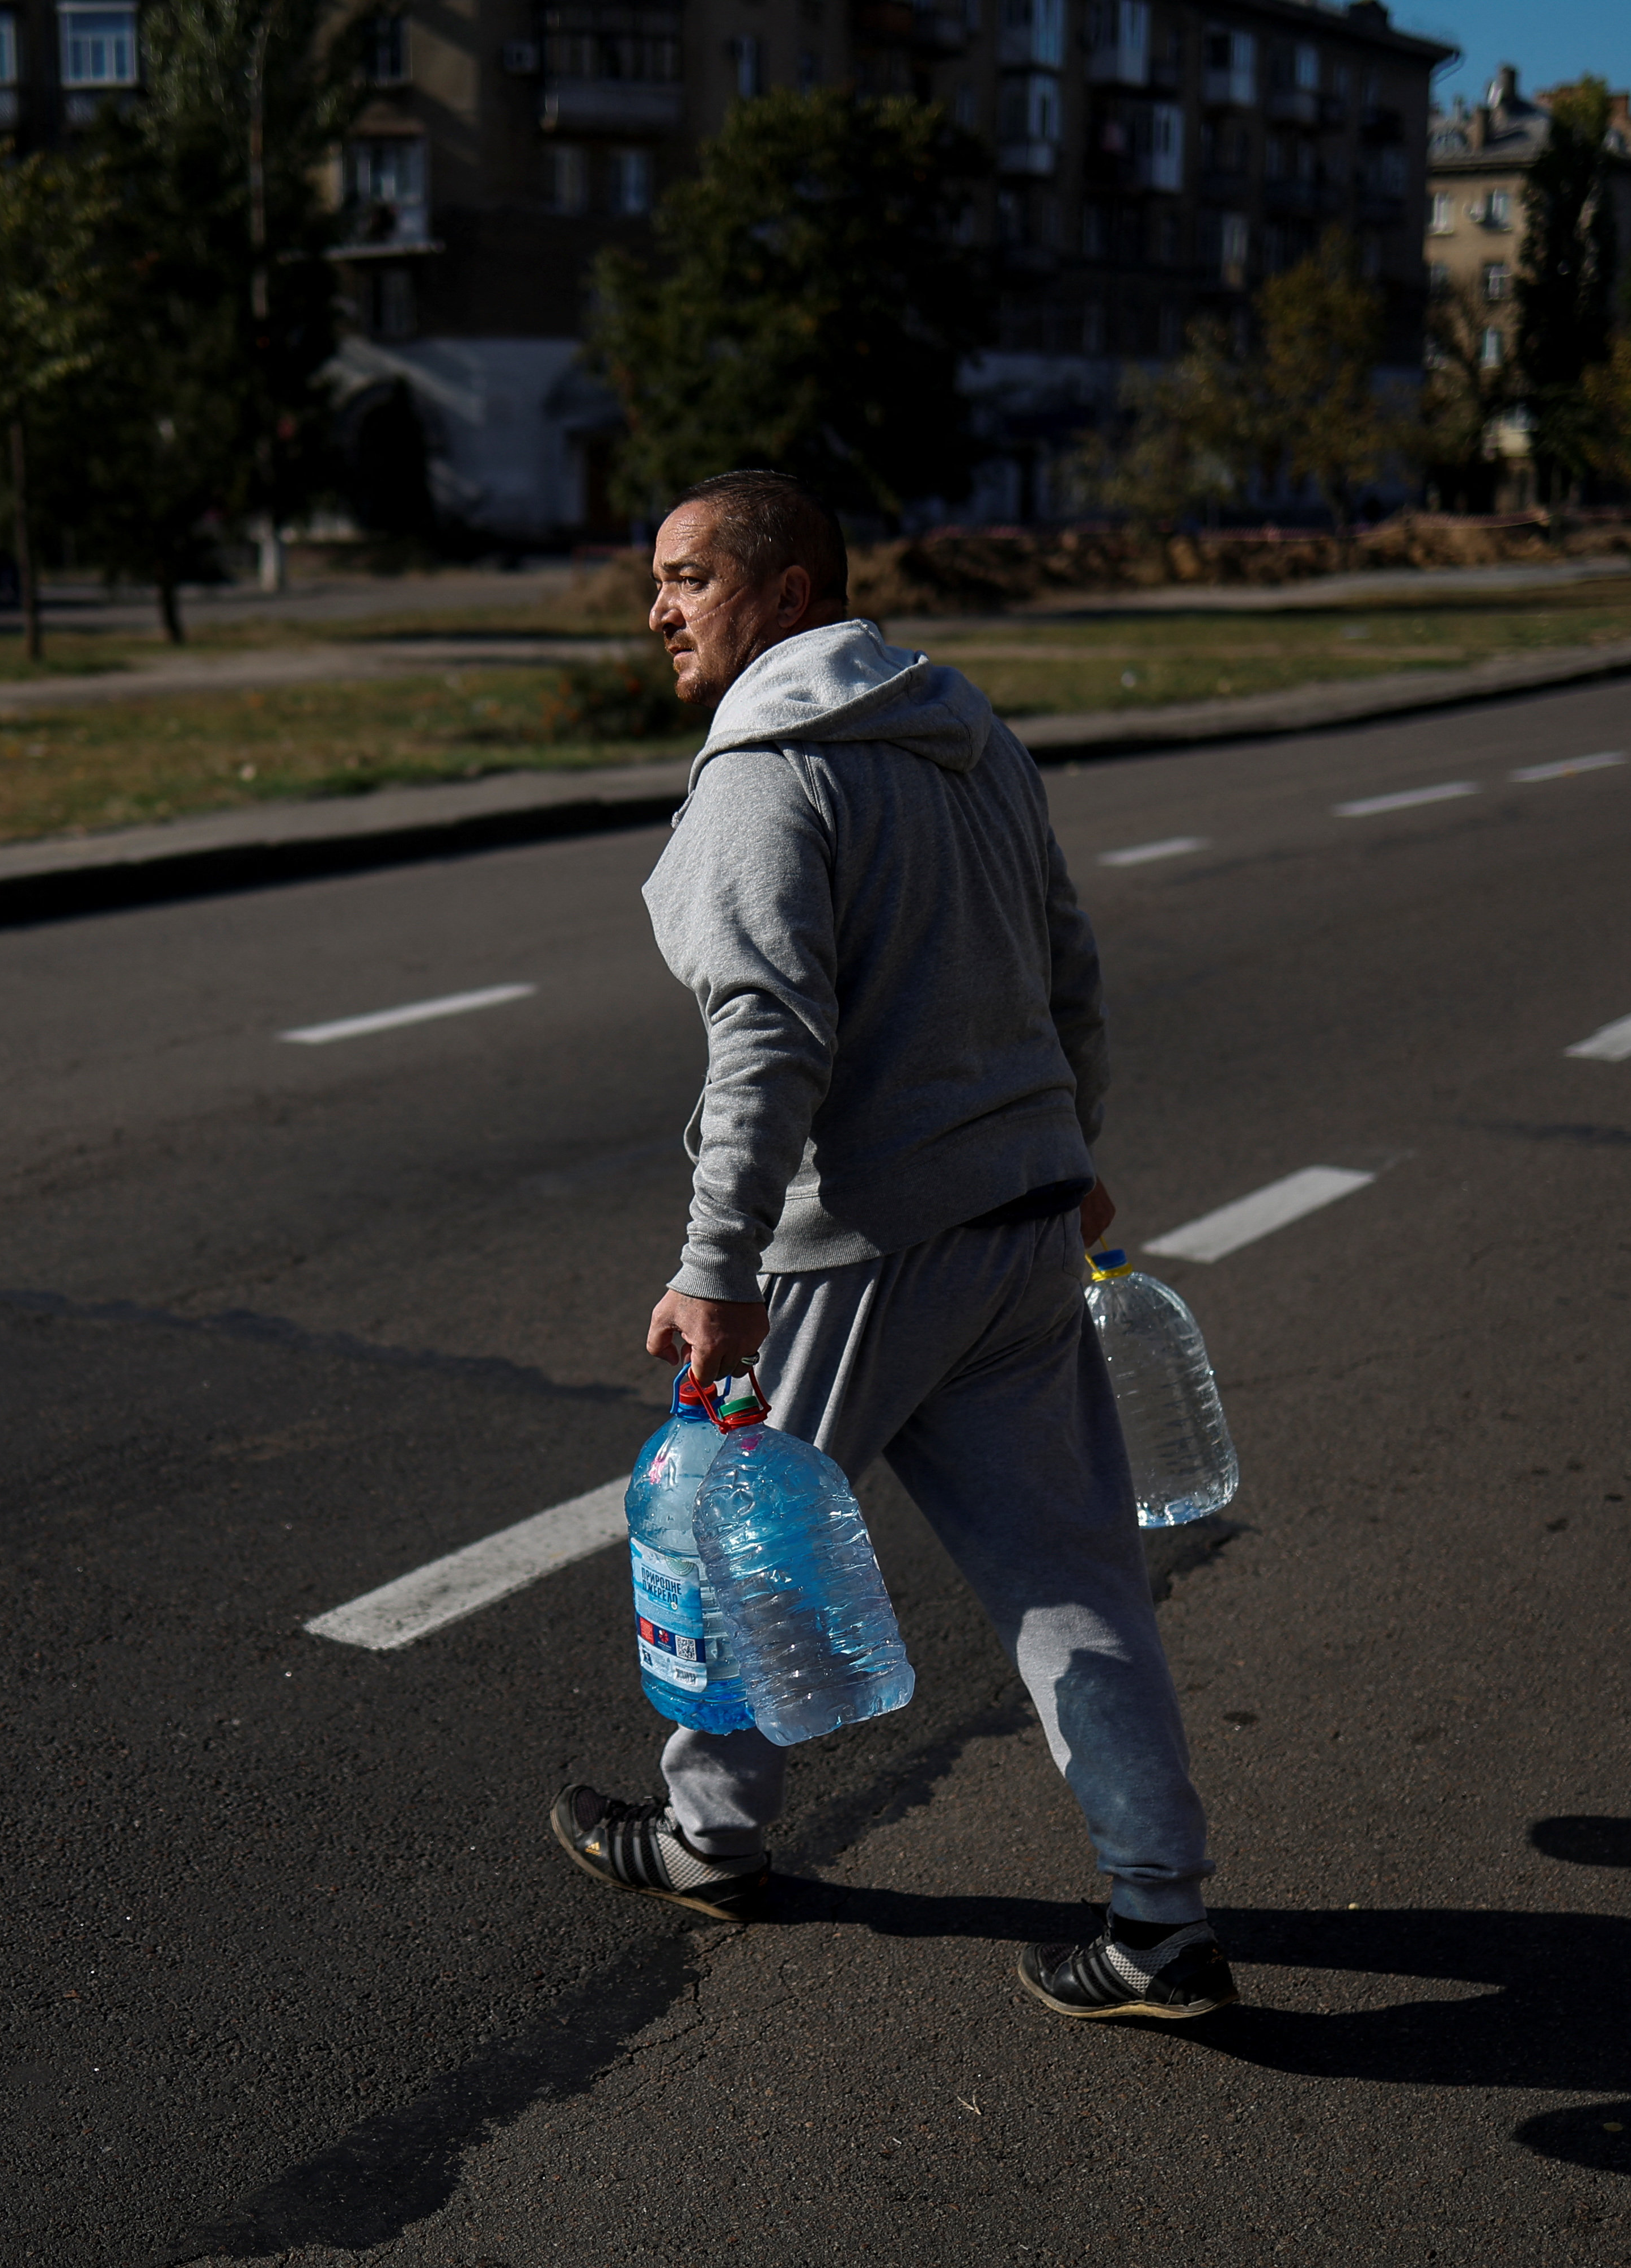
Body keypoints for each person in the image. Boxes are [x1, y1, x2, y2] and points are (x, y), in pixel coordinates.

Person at [546, 471, 1233, 2024]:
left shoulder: (763, 776)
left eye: (688, 578)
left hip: (852, 1248)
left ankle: (711, 1840)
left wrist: (718, 1266)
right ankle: (1162, 1919)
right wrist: (1074, 1152)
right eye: (656, 580)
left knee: (734, 1542)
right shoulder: (965, 730)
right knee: (1074, 1583)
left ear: (787, 594)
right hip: (1016, 1220)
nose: (657, 608)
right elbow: (1068, 961)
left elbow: (766, 1036)